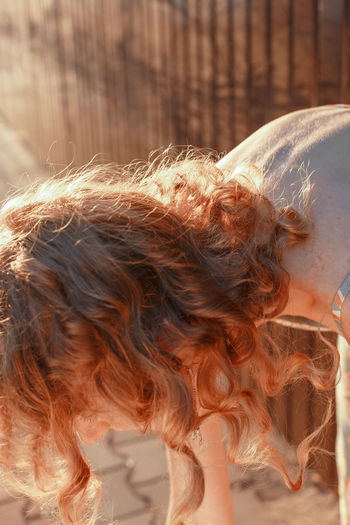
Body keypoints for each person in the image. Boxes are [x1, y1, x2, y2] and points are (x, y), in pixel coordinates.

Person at [0, 104, 348, 525]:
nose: (91, 434)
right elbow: (203, 507)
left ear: (123, 339)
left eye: (78, 408)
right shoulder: (186, 278)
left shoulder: (331, 265)